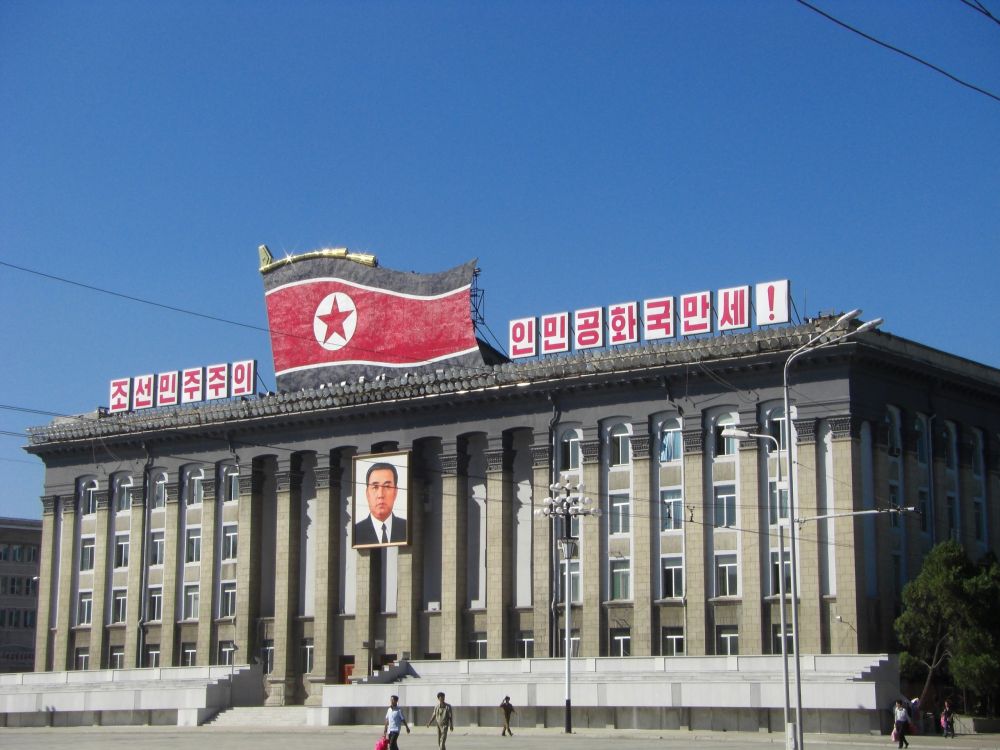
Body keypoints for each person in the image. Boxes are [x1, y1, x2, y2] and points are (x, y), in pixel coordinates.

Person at [355, 462, 407, 546]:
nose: (380, 495)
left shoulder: (407, 528)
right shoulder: (356, 531)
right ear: (367, 493)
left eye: (387, 487)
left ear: (395, 492)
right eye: (375, 487)